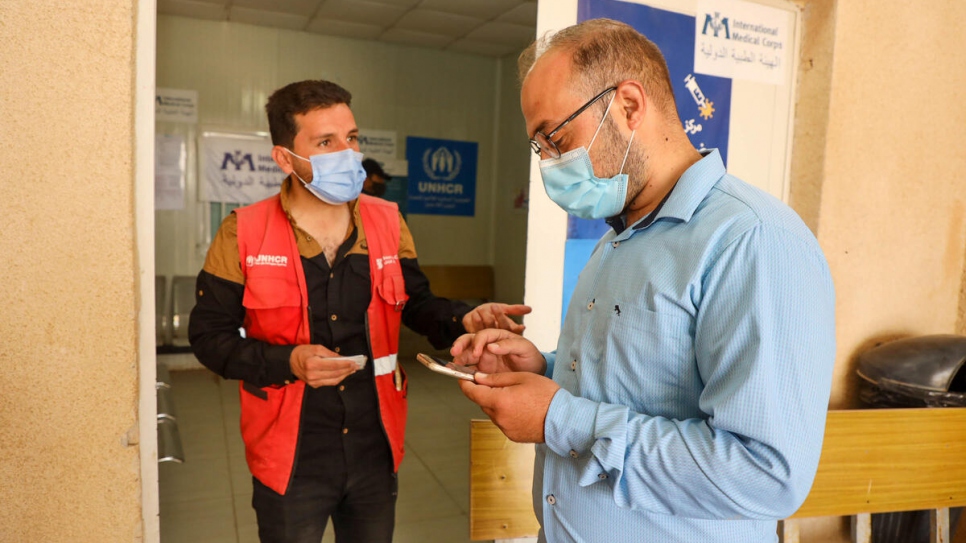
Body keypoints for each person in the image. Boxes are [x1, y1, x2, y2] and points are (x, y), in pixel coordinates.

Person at [451, 19, 836, 543]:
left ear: (629, 106)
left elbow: (766, 473)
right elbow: (639, 385)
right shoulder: (617, 239)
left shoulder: (752, 240)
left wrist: (560, 418)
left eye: (555, 136)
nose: (549, 164)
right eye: (539, 147)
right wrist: (543, 367)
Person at [188, 79, 529, 543]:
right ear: (286, 158)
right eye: (325, 142)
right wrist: (287, 362)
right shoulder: (242, 233)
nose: (346, 152)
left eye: (351, 137)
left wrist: (463, 320)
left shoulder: (387, 220)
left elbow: (417, 304)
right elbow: (209, 339)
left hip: (375, 445)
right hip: (289, 452)